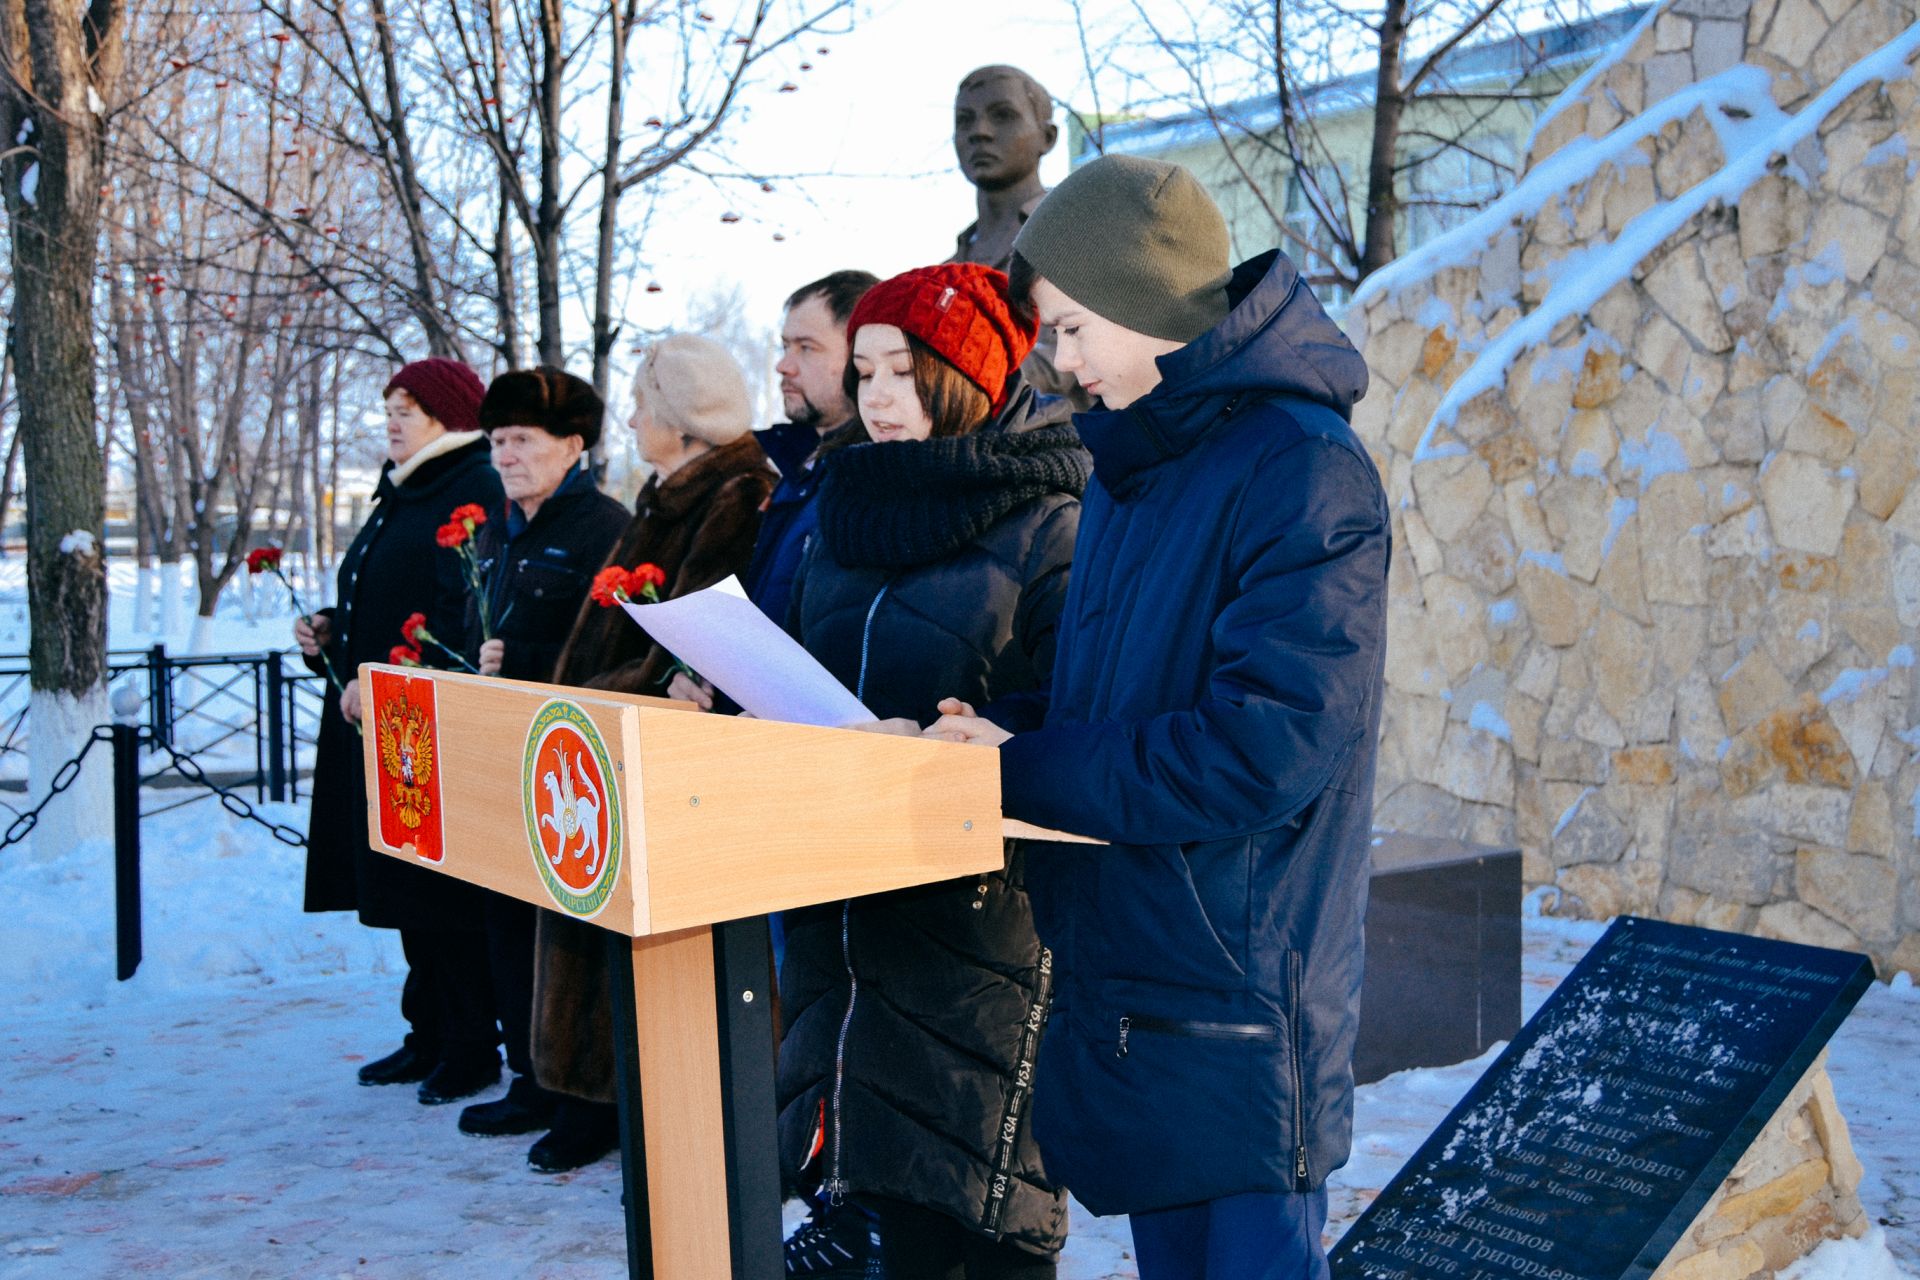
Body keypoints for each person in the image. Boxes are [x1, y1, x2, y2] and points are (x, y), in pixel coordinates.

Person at [926, 156, 1389, 1280]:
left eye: (1076, 327)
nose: (1061, 360)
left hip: (1236, 995)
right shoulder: (1144, 466)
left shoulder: (1301, 472)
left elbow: (1256, 748)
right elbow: (1120, 699)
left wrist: (1019, 770)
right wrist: (988, 732)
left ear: (1148, 302)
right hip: (1143, 975)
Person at [776, 263, 1086, 1280]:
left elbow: (1084, 701)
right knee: (877, 1197)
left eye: (905, 371)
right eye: (864, 372)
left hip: (982, 923)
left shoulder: (1050, 518)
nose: (879, 397)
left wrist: (980, 726)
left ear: (970, 376)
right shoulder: (843, 516)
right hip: (849, 911)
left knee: (981, 1216)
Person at [525, 334, 777, 1174]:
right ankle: (593, 1095)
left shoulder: (736, 493)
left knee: (661, 956)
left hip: (661, 757)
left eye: (641, 402)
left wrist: (612, 691)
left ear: (679, 416)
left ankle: (651, 1116)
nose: (629, 417)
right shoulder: (665, 493)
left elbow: (701, 638)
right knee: (595, 926)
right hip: (602, 742)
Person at [294, 357, 507, 1106]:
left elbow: (459, 610)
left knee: (438, 891)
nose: (390, 422)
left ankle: (471, 1042)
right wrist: (333, 627)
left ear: (448, 417)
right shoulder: (409, 488)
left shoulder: (469, 485)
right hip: (382, 714)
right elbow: (388, 590)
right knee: (404, 886)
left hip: (426, 720)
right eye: (388, 408)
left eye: (405, 410)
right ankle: (431, 1032)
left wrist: (386, 677)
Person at [454, 367, 629, 1144]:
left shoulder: (604, 529)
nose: (506, 455)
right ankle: (530, 1075)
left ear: (573, 444)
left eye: (523, 440)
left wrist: (518, 658)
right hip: (502, 757)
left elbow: (606, 647)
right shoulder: (496, 532)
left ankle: (588, 1101)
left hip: (572, 770)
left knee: (569, 936)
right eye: (497, 441)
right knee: (505, 928)